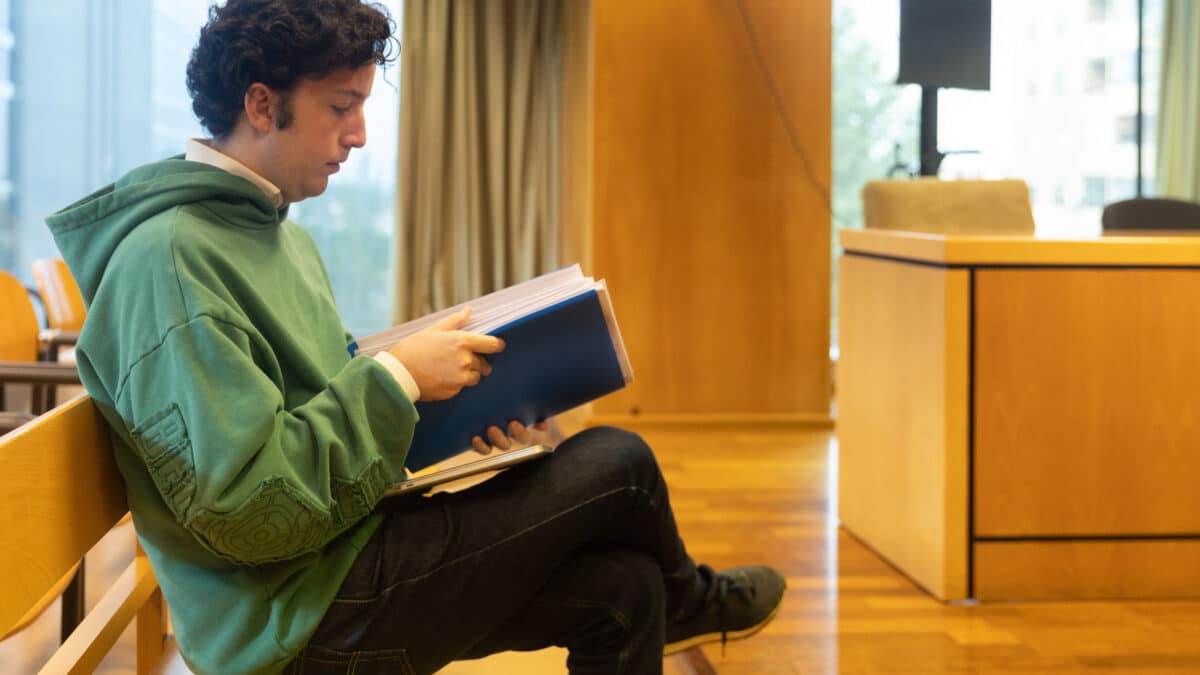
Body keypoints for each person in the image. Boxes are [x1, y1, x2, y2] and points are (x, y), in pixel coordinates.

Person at [46, 1, 785, 673]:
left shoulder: (273, 234)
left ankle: (678, 599)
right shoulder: (170, 264)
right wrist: (397, 378)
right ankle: (694, 599)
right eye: (342, 107)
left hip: (340, 556)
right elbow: (246, 511)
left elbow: (325, 403)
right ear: (263, 105)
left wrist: (450, 411)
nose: (360, 135)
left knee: (624, 590)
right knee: (620, 462)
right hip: (286, 621)